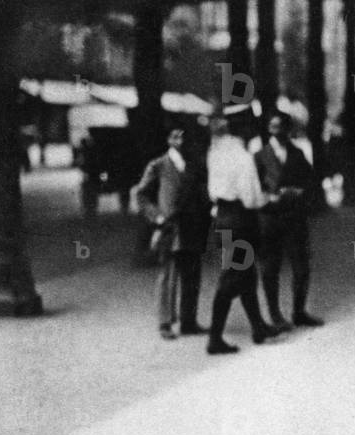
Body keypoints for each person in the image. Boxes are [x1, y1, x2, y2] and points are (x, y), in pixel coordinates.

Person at [205, 104, 276, 355]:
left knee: (246, 275)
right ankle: (214, 339)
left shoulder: (215, 153)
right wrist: (270, 198)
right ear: (245, 128)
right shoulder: (243, 158)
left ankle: (258, 327)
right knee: (233, 278)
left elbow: (213, 191)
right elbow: (250, 199)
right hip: (240, 220)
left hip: (223, 218)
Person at [134, 128, 211, 339]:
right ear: (169, 140)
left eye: (185, 136)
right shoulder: (158, 165)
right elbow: (141, 195)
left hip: (193, 225)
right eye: (176, 136)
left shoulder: (195, 165)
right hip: (170, 226)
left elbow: (204, 192)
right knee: (168, 274)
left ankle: (189, 321)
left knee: (192, 274)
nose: (181, 140)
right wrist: (157, 217)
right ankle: (165, 323)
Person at [254, 110, 323, 331]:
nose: (277, 131)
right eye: (273, 127)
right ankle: (275, 315)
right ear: (268, 129)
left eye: (281, 127)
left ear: (288, 129)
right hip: (270, 218)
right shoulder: (260, 156)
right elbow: (253, 187)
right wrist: (270, 197)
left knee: (301, 267)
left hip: (295, 217)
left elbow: (311, 182)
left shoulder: (298, 153)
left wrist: (299, 192)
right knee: (270, 268)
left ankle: (299, 312)